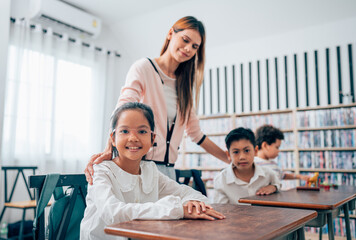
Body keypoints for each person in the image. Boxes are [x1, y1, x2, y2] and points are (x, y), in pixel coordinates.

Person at [85, 16, 229, 182]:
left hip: (168, 172)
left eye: (194, 46)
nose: (188, 48)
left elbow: (196, 134)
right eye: (185, 40)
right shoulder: (144, 68)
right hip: (140, 167)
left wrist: (230, 159)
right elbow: (123, 109)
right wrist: (109, 148)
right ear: (170, 34)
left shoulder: (185, 87)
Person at [80, 102, 225, 240]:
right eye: (124, 131)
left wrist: (194, 204)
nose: (133, 138)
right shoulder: (100, 172)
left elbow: (194, 195)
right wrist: (178, 209)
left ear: (152, 138)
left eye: (142, 131)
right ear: (113, 138)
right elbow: (112, 213)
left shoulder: (150, 171)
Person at [213, 127, 280, 204]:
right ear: (228, 155)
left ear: (255, 151)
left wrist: (274, 187)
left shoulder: (268, 173)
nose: (242, 157)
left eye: (247, 151)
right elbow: (222, 210)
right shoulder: (221, 180)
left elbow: (277, 184)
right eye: (236, 152)